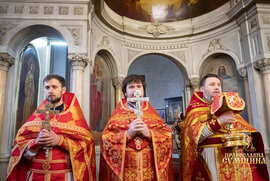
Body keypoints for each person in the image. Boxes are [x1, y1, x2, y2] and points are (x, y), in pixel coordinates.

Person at [6, 74, 96, 181]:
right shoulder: (37, 117)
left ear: (63, 90)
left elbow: (86, 144)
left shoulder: (72, 117)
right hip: (35, 175)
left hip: (62, 175)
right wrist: (36, 143)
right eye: (47, 87)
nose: (50, 90)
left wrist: (60, 141)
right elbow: (21, 151)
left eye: (54, 87)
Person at [180, 74, 269, 181]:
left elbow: (243, 129)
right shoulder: (195, 111)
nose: (217, 87)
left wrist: (247, 138)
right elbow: (193, 138)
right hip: (212, 157)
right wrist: (219, 121)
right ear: (202, 89)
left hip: (236, 157)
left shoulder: (227, 107)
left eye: (219, 84)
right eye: (212, 84)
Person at [100, 74, 173, 181]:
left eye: (139, 86)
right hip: (126, 168)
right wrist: (128, 134)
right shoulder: (118, 114)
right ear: (125, 92)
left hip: (149, 167)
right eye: (131, 87)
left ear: (143, 91)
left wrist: (149, 133)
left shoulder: (152, 113)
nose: (136, 90)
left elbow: (167, 136)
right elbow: (106, 139)